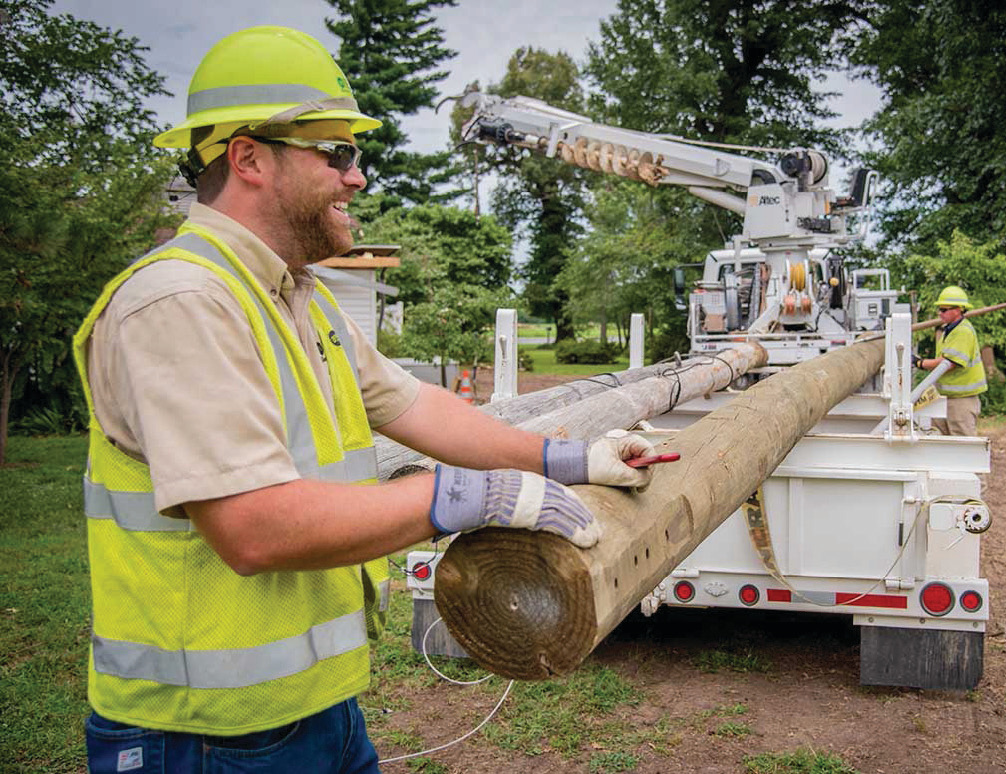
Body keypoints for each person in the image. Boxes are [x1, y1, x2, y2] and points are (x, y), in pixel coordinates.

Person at [74, 26, 653, 774]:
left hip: (314, 712)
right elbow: (253, 527)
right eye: (337, 153)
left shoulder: (293, 295)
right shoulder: (183, 300)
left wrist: (570, 459)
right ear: (248, 157)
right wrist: (467, 497)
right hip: (205, 736)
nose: (358, 177)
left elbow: (415, 406)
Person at [913, 285, 987, 436]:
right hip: (946, 398)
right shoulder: (950, 330)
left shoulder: (963, 332)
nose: (939, 313)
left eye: (943, 310)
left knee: (962, 446)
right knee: (942, 442)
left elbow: (948, 364)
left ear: (958, 309)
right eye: (939, 309)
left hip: (961, 401)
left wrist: (919, 363)